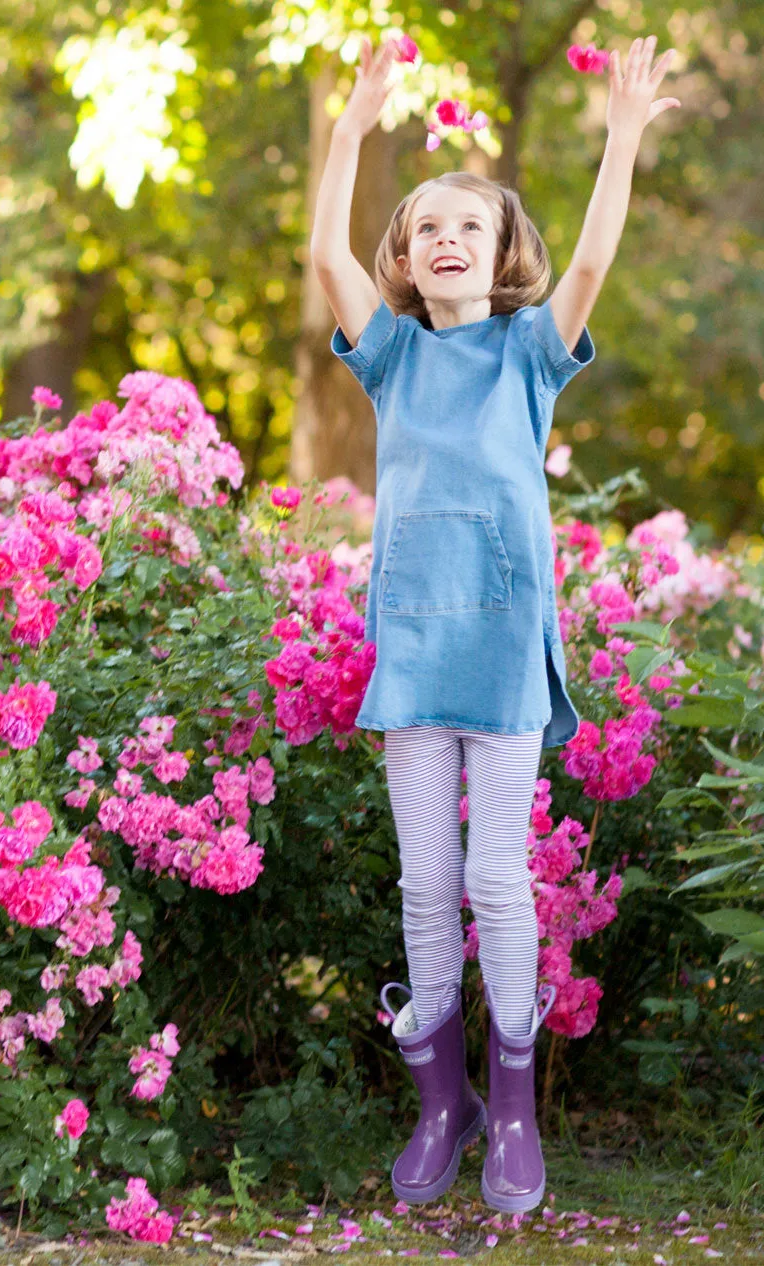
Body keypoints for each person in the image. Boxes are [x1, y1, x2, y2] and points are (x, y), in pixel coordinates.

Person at [309, 34, 680, 1211]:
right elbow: (324, 250)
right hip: (414, 658)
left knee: (495, 877)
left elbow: (594, 258)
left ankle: (513, 1109)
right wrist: (351, 129)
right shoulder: (390, 359)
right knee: (425, 884)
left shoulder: (528, 353)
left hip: (506, 659)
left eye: (469, 224)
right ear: (407, 264)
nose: (447, 239)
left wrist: (620, 136)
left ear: (500, 252)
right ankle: (443, 1104)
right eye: (426, 229)